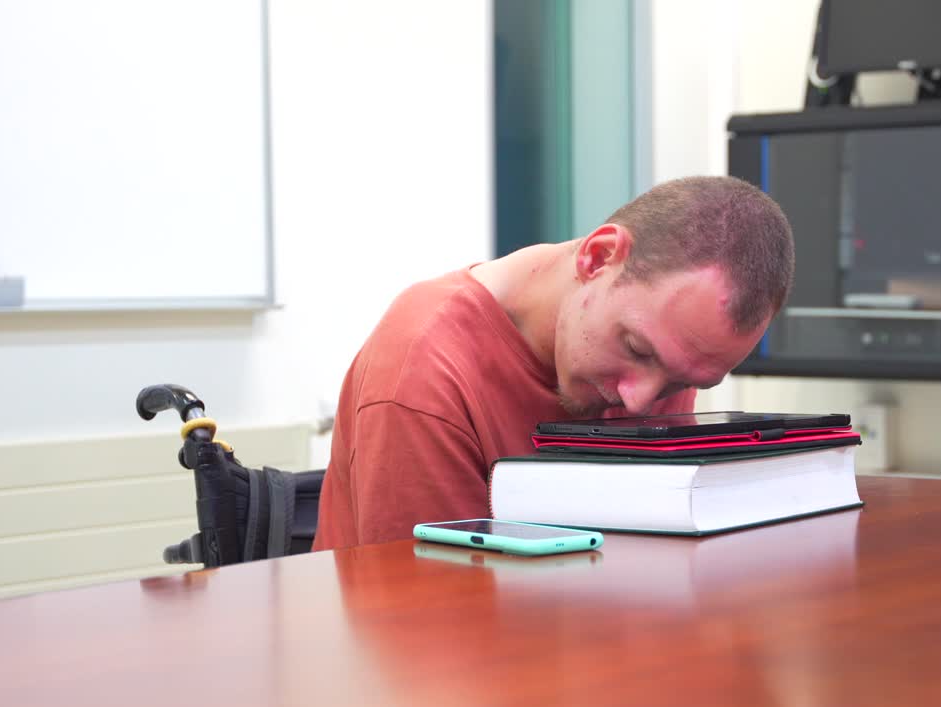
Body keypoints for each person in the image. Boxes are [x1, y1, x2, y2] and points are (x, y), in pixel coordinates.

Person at [313, 176, 794, 548]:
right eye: (636, 349)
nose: (640, 399)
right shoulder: (424, 370)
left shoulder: (668, 346)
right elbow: (428, 625)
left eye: (681, 383)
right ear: (598, 257)